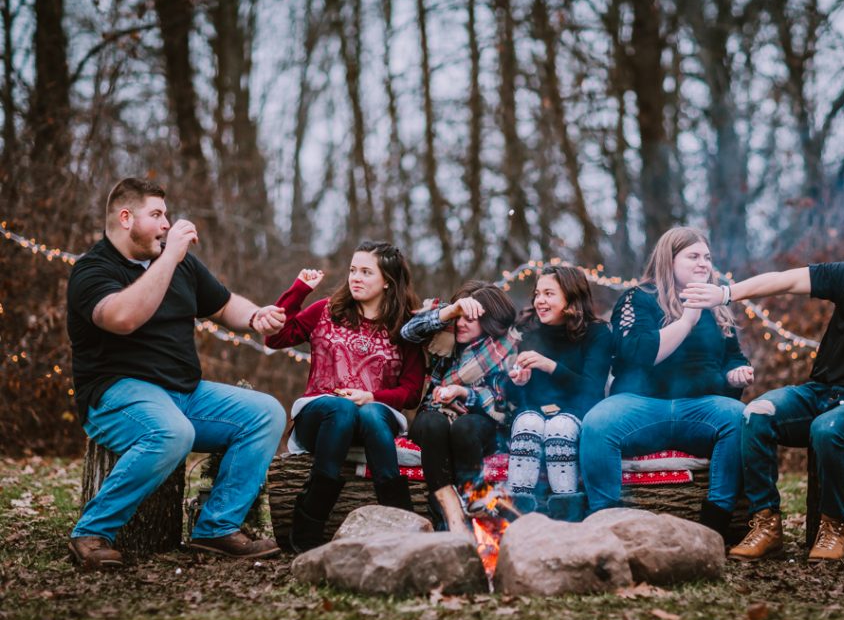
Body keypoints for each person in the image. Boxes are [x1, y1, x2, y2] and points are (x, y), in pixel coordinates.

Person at [66, 178, 288, 570]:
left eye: (166, 215)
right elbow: (122, 318)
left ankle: (216, 528)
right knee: (173, 432)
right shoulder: (92, 270)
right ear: (125, 218)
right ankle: (91, 533)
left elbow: (222, 304)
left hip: (185, 393)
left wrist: (254, 315)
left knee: (265, 412)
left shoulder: (178, 261)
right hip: (118, 395)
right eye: (156, 215)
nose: (167, 224)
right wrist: (168, 259)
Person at [683, 225, 844, 563]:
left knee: (827, 429)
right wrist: (725, 294)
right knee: (755, 413)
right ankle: (766, 524)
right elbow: (784, 280)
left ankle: (835, 529)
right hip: (816, 394)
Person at [580, 227, 754, 540]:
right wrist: (686, 320)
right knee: (597, 423)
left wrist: (736, 373)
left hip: (701, 408)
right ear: (668, 260)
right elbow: (640, 353)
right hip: (641, 407)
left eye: (707, 257)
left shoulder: (717, 303)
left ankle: (715, 523)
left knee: (740, 418)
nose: (704, 263)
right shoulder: (638, 298)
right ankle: (604, 521)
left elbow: (733, 356)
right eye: (693, 256)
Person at [265, 241, 425, 552]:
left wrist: (372, 396)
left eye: (366, 272)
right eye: (353, 270)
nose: (356, 277)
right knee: (340, 409)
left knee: (369, 412)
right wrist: (298, 291)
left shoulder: (404, 327)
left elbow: (411, 392)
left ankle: (401, 518)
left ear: (387, 281)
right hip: (320, 415)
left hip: (374, 418)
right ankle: (311, 517)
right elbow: (275, 337)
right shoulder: (326, 311)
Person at [401, 281, 519, 535]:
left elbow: (504, 403)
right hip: (434, 415)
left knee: (465, 427)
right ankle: (446, 505)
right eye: (459, 317)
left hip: (478, 422)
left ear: (488, 323)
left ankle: (476, 499)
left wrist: (465, 393)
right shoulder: (444, 336)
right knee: (434, 423)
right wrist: (450, 312)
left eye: (469, 319)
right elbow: (408, 332)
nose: (461, 324)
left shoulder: (502, 349)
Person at [506, 265, 612, 520]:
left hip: (576, 414)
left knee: (559, 427)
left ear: (571, 298)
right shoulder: (530, 334)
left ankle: (567, 515)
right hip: (536, 412)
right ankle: (518, 516)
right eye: (537, 293)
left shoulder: (597, 334)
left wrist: (550, 366)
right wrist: (518, 382)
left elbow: (591, 390)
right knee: (527, 421)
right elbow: (513, 395)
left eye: (549, 294)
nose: (540, 300)